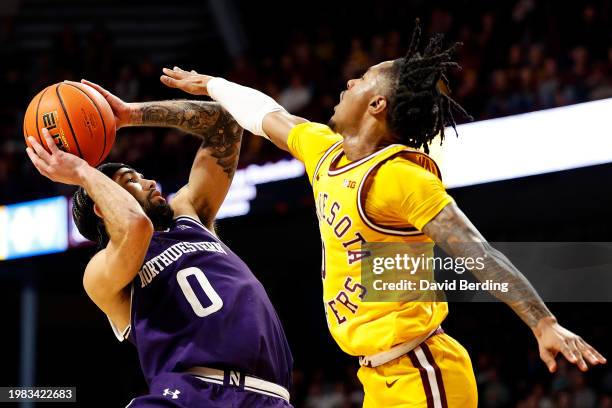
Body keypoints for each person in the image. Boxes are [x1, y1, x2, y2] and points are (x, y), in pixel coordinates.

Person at [159, 23, 607, 407]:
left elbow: (477, 252)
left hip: (423, 370)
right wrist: (213, 85)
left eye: (361, 80)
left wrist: (543, 322)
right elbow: (265, 115)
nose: (349, 83)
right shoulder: (323, 149)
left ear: (378, 106)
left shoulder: (399, 177)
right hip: (376, 376)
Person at [25, 92, 293, 407]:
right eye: (131, 181)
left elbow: (226, 123)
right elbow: (136, 226)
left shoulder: (189, 215)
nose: (150, 181)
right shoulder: (100, 272)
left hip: (269, 397)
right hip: (189, 393)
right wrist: (83, 172)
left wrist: (131, 114)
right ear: (102, 207)